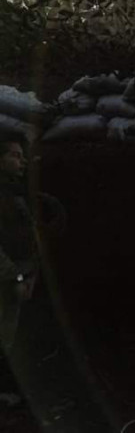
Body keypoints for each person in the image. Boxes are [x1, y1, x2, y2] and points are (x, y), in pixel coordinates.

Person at [0, 132, 64, 404]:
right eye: (15, 155)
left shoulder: (15, 192)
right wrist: (15, 277)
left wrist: (30, 273)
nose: (23, 161)